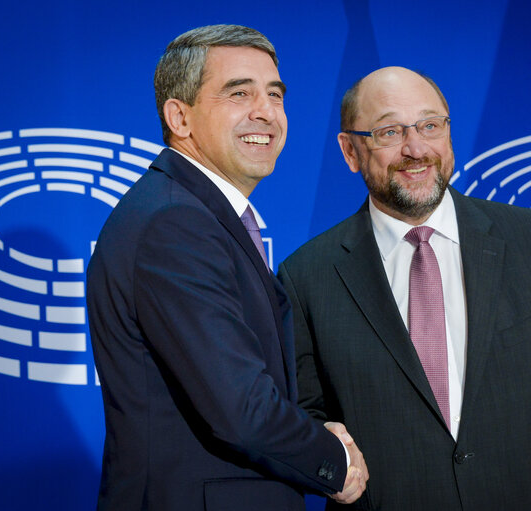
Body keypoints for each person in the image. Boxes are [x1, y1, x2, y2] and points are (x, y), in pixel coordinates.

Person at [277, 66, 531, 510]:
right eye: (389, 132)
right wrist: (326, 453)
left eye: (430, 125)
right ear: (350, 151)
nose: (416, 148)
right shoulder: (306, 275)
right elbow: (304, 423)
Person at [86, 24, 367, 511]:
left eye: (274, 95)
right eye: (239, 93)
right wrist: (335, 461)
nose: (266, 111)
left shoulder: (189, 212)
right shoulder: (175, 223)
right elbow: (241, 409)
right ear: (180, 116)